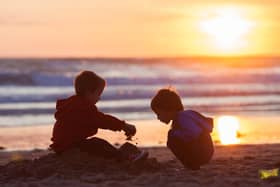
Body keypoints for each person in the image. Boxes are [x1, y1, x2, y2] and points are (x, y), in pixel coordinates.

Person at [50, 70, 148, 161]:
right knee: (98, 143)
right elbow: (102, 120)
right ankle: (122, 158)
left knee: (94, 144)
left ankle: (120, 155)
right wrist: (123, 125)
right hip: (70, 147)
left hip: (61, 147)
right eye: (98, 94)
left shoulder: (72, 104)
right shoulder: (83, 107)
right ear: (88, 92)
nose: (99, 98)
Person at [150, 88, 214, 170]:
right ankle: (192, 165)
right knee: (172, 136)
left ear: (167, 109)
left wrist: (175, 134)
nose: (158, 118)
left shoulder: (182, 117)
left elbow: (194, 133)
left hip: (203, 151)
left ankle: (191, 166)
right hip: (205, 150)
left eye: (159, 114)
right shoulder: (181, 118)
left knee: (172, 137)